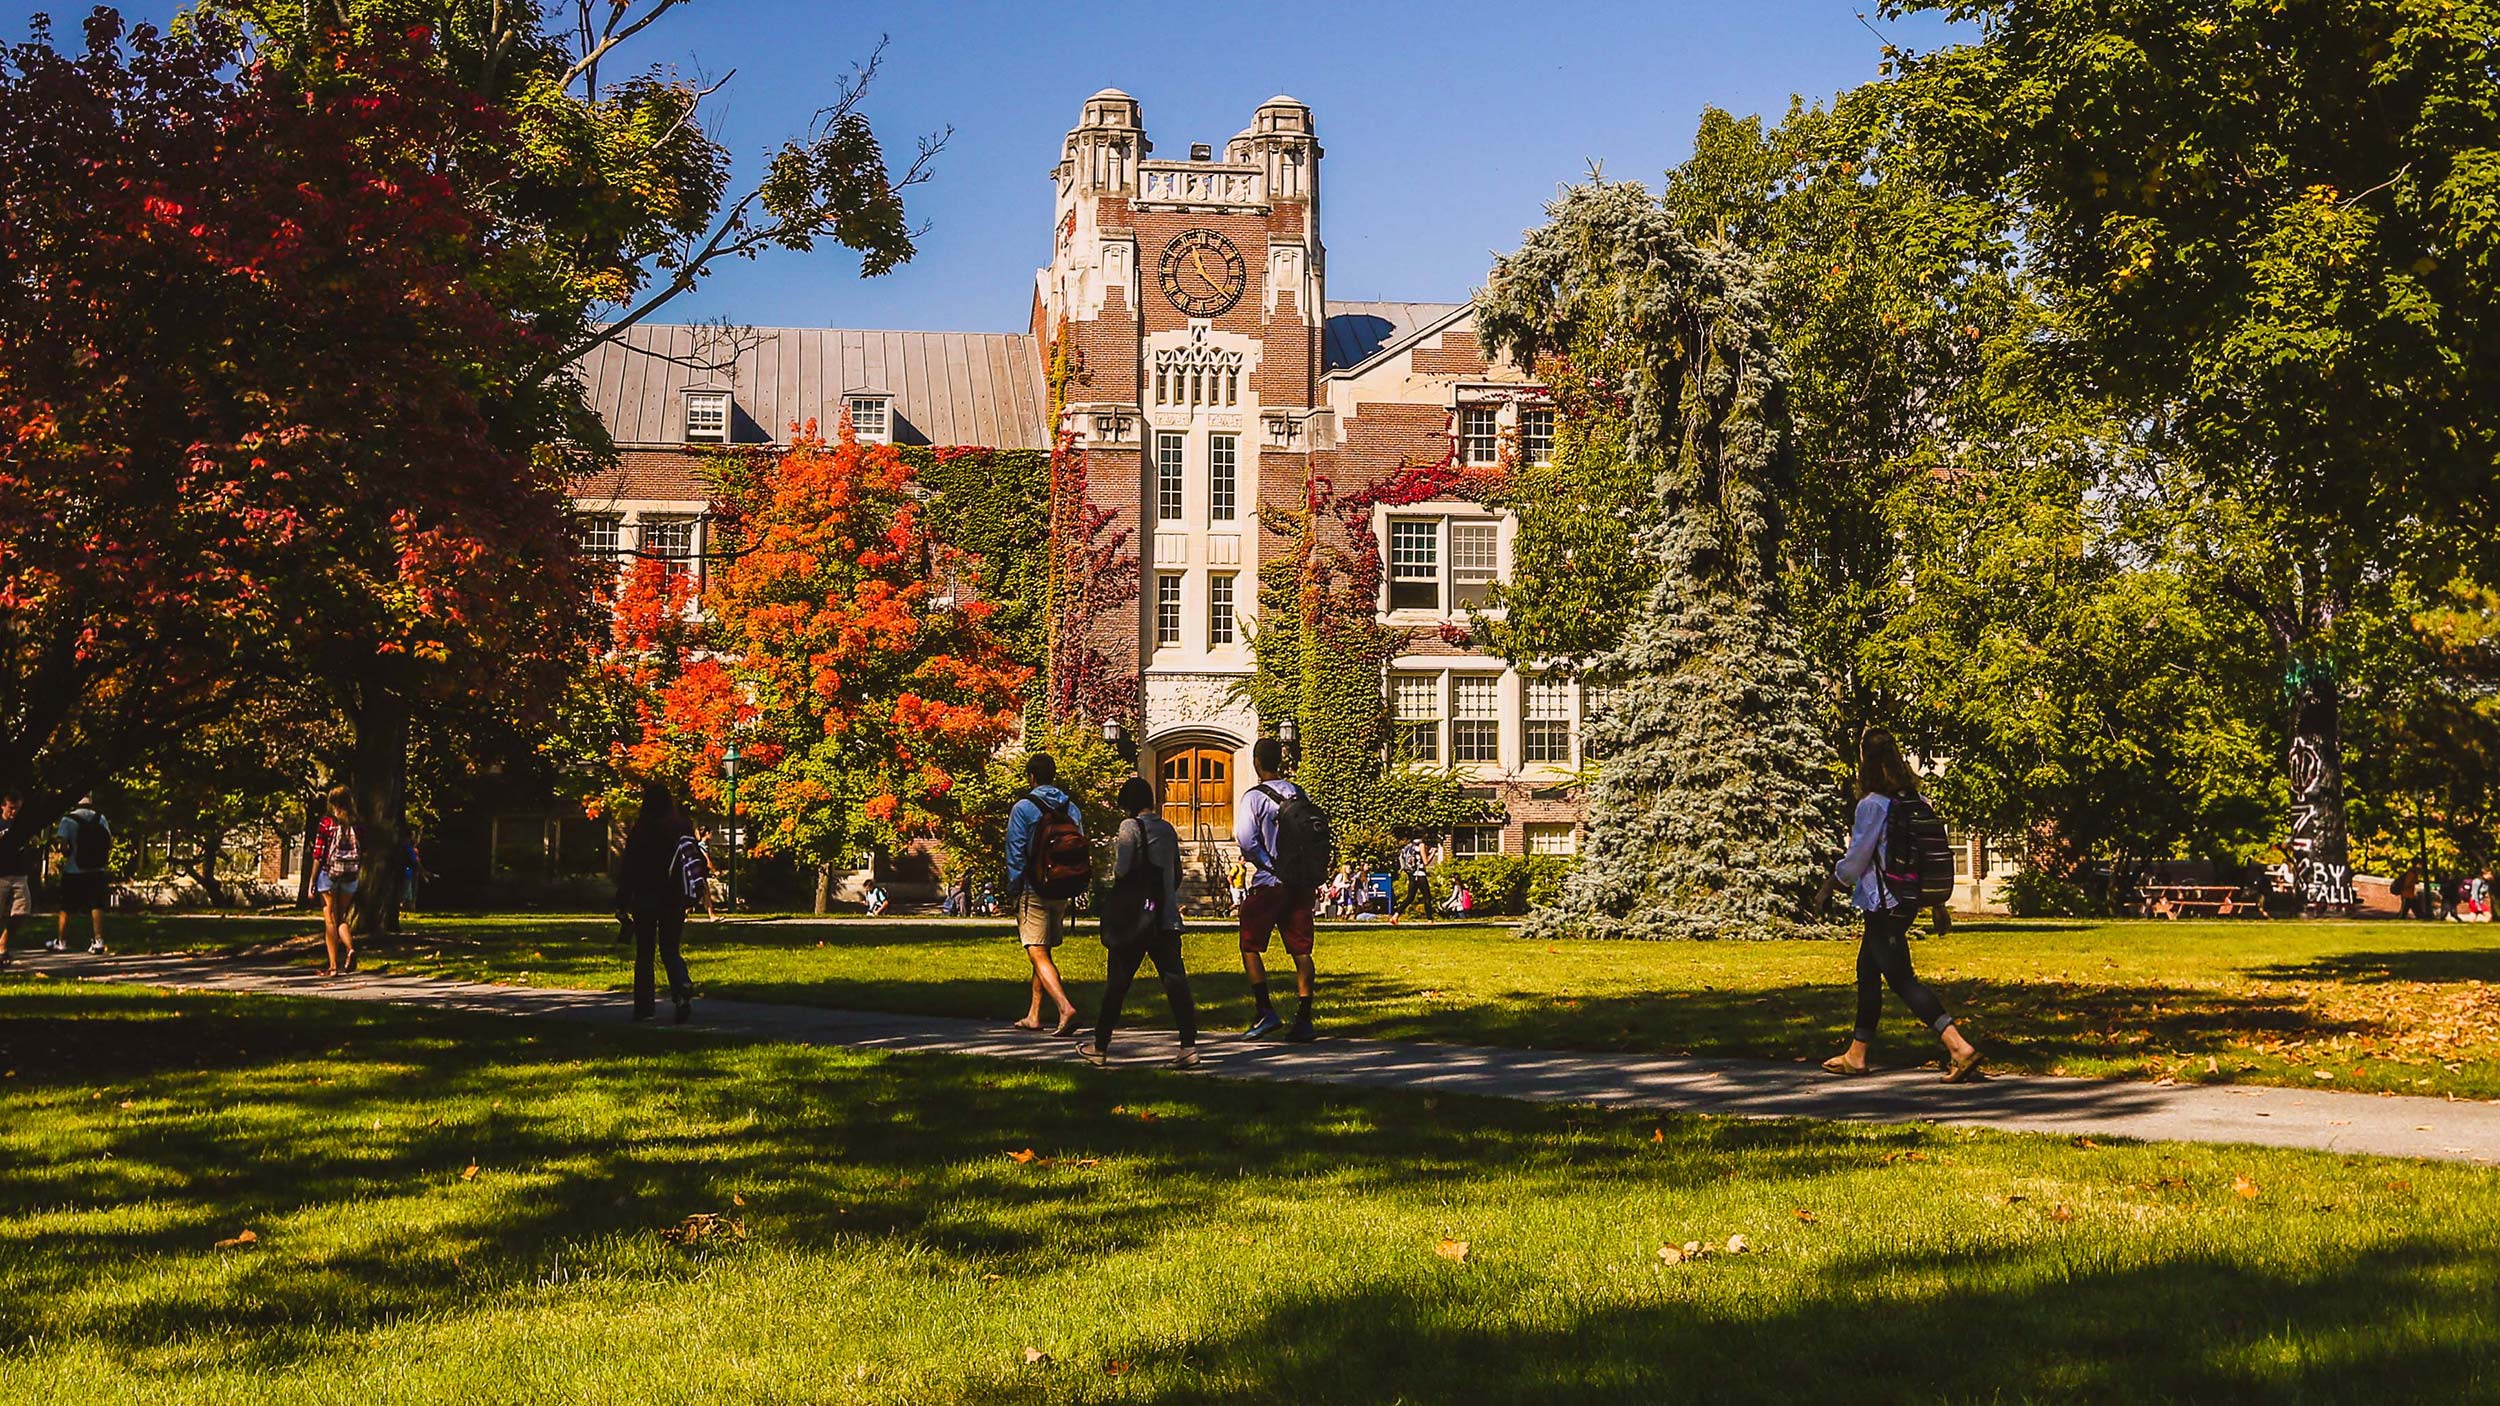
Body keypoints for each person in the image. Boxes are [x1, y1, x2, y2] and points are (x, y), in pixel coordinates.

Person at [1815, 728, 1983, 1083]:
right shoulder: (1916, 803)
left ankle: (1958, 1046)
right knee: (1867, 972)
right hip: (1905, 901)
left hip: (1884, 903)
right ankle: (1856, 1055)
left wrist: (1829, 885)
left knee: (1902, 979)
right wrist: (1937, 905)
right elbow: (1931, 858)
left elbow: (1857, 858)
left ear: (1866, 762)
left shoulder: (1873, 805)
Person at [1076, 776, 1200, 1068]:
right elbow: (1176, 873)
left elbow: (1122, 870)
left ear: (1127, 804)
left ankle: (1100, 1045)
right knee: (1175, 981)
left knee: (1117, 983)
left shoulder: (1129, 827)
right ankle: (1188, 1046)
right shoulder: (1168, 829)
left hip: (1136, 917)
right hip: (1165, 916)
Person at [1235, 736, 1319, 1041]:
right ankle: (1304, 1017)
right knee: (1301, 950)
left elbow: (1246, 841)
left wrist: (1268, 864)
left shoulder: (1253, 798)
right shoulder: (1298, 793)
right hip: (1299, 881)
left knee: (1250, 944)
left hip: (1270, 883)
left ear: (1256, 762)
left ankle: (1265, 1010)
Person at [1002, 752, 1083, 1035]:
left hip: (1033, 887)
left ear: (1031, 777)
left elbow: (1015, 851)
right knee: (1044, 950)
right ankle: (1034, 1015)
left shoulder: (1023, 808)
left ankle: (1064, 1007)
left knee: (1035, 950)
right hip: (1061, 886)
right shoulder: (1071, 808)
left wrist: (1014, 886)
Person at [614, 779, 700, 1022]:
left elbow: (628, 870)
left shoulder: (641, 830)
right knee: (671, 948)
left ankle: (644, 1008)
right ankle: (681, 986)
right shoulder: (681, 827)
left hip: (645, 898)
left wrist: (621, 902)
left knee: (645, 953)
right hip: (674, 897)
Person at [47, 794, 112, 956]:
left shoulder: (68, 820)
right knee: (96, 905)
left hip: (74, 869)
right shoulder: (100, 818)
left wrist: (67, 852)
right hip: (97, 869)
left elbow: (62, 845)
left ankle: (61, 941)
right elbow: (108, 841)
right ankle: (98, 940)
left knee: (66, 906)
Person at [307, 787, 362, 976]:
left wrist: (312, 881)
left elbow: (318, 854)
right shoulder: (356, 823)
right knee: (342, 917)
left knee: (330, 920)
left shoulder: (327, 823)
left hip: (328, 874)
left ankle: (332, 967)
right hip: (350, 876)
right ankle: (350, 949)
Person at [0, 793, 33, 964]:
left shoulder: (23, 825)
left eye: (17, 808)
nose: (14, 812)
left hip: (20, 874)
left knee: (22, 911)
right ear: (3, 806)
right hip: (1, 874)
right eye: (11, 808)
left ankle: (3, 943)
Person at [1398, 837, 1432, 920]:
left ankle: (1396, 915)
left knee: (1410, 897)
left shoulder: (1411, 846)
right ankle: (1429, 919)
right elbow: (1426, 862)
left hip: (1413, 875)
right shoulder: (1421, 845)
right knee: (1427, 897)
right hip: (1420, 874)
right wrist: (1433, 853)